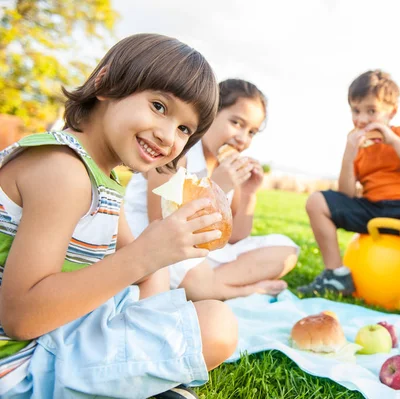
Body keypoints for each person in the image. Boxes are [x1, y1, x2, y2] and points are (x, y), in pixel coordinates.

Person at [0, 33, 238, 399]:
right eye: (159, 106)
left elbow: (144, 265)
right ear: (106, 85)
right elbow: (19, 318)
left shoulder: (101, 178)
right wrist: (148, 255)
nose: (167, 136)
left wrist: (159, 253)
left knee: (200, 316)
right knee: (216, 326)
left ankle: (136, 380)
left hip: (56, 332)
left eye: (184, 129)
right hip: (18, 364)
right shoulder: (62, 173)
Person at [298, 70, 400, 319]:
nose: (361, 119)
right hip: (372, 206)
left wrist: (393, 140)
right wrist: (349, 153)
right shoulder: (358, 146)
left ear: (391, 112)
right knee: (316, 201)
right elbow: (347, 193)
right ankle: (336, 275)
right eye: (356, 110)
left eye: (371, 111)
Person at [124, 79, 298, 301]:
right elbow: (160, 223)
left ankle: (212, 285)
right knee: (194, 277)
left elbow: (235, 237)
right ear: (211, 115)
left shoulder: (226, 165)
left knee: (287, 251)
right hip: (156, 243)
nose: (243, 138)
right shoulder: (177, 153)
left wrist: (248, 193)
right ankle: (242, 290)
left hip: (200, 253)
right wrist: (215, 187)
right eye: (236, 123)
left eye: (252, 132)